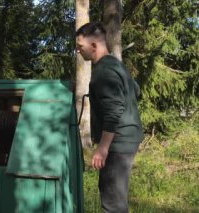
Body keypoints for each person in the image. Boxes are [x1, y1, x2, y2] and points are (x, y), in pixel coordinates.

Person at [76, 22, 144, 213]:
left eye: (80, 47)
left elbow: (113, 110)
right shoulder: (115, 65)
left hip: (117, 142)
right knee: (114, 195)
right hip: (128, 137)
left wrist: (102, 148)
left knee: (112, 202)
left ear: (94, 45)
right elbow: (135, 91)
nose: (78, 51)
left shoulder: (104, 71)